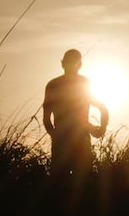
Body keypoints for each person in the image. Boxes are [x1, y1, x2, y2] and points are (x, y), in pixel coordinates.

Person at [42, 48, 107, 179]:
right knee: (74, 182)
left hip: (74, 140)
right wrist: (99, 129)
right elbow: (46, 118)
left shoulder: (55, 84)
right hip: (72, 140)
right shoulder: (57, 85)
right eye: (69, 62)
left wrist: (101, 129)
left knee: (72, 182)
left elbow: (46, 118)